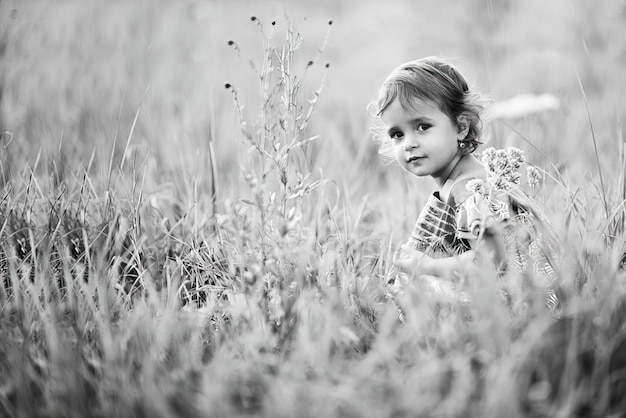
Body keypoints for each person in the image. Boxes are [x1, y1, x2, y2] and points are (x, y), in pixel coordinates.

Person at [371, 56, 560, 315]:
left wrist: (426, 265)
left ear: (461, 127)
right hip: (509, 296)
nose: (409, 143)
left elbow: (493, 261)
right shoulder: (459, 183)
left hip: (522, 304)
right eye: (397, 134)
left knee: (417, 290)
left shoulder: (472, 189)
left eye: (423, 126)